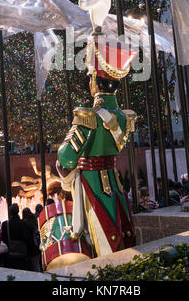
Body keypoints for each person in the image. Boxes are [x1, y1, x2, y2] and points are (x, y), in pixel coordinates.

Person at [55, 31, 137, 262]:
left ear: (94, 83)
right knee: (121, 233)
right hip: (114, 183)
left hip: (92, 186)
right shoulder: (125, 117)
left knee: (103, 244)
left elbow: (67, 156)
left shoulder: (87, 116)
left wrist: (64, 159)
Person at [1, 204, 30, 270]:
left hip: (10, 252)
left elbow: (3, 238)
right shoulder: (23, 223)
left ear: (10, 212)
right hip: (22, 253)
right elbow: (27, 237)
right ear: (18, 211)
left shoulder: (5, 224)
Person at [22, 208, 41, 272]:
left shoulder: (24, 224)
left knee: (30, 267)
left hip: (27, 249)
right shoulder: (33, 223)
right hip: (34, 248)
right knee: (36, 265)